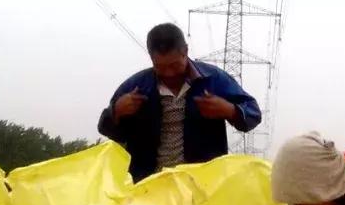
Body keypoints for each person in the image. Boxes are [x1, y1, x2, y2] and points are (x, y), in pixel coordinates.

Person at [98, 23, 262, 181]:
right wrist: (117, 111)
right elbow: (107, 129)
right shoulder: (137, 86)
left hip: (202, 184)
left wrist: (230, 110)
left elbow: (253, 114)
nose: (169, 73)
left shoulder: (213, 80)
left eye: (175, 65)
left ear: (185, 51)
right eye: (160, 67)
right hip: (147, 186)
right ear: (151, 58)